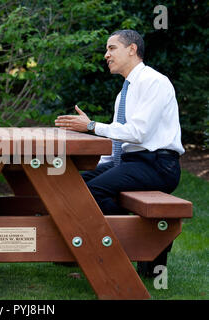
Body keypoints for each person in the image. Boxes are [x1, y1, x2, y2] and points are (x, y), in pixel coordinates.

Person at [55, 30, 184, 276]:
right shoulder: (124, 92)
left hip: (157, 165)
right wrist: (98, 165)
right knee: (75, 185)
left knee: (94, 191)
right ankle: (140, 241)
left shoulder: (153, 82)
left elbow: (138, 133)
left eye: (112, 48)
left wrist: (92, 126)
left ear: (132, 49)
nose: (106, 55)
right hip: (131, 163)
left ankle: (118, 256)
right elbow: (119, 141)